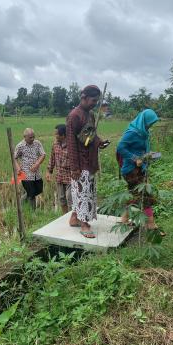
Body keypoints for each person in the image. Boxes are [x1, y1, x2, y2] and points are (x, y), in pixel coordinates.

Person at [66, 85, 108, 238]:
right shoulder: (74, 116)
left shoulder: (90, 114)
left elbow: (91, 136)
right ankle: (84, 224)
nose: (94, 104)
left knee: (86, 191)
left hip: (90, 160)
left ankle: (74, 217)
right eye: (93, 100)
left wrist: (100, 142)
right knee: (83, 193)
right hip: (80, 162)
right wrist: (74, 168)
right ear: (83, 98)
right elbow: (71, 143)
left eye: (97, 101)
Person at [117, 109, 160, 231]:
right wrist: (134, 158)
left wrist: (148, 154)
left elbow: (141, 149)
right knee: (145, 195)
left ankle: (124, 220)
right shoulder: (133, 132)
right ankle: (150, 223)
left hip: (140, 168)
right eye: (149, 123)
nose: (150, 125)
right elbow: (120, 147)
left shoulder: (144, 132)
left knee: (133, 194)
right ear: (143, 121)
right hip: (131, 169)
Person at [14, 128, 46, 209]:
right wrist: (18, 168)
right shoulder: (20, 146)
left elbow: (43, 154)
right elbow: (14, 158)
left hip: (37, 173)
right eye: (30, 137)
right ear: (25, 137)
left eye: (33, 137)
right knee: (31, 194)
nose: (32, 139)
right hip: (26, 174)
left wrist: (37, 164)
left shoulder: (37, 143)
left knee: (39, 190)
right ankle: (32, 212)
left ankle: (22, 199)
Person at [46, 124, 72, 214]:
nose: (55, 136)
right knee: (62, 199)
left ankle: (72, 217)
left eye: (56, 134)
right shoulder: (55, 144)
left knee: (70, 198)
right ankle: (65, 217)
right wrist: (49, 171)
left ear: (63, 135)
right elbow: (52, 158)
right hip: (60, 177)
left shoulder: (72, 145)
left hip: (71, 177)